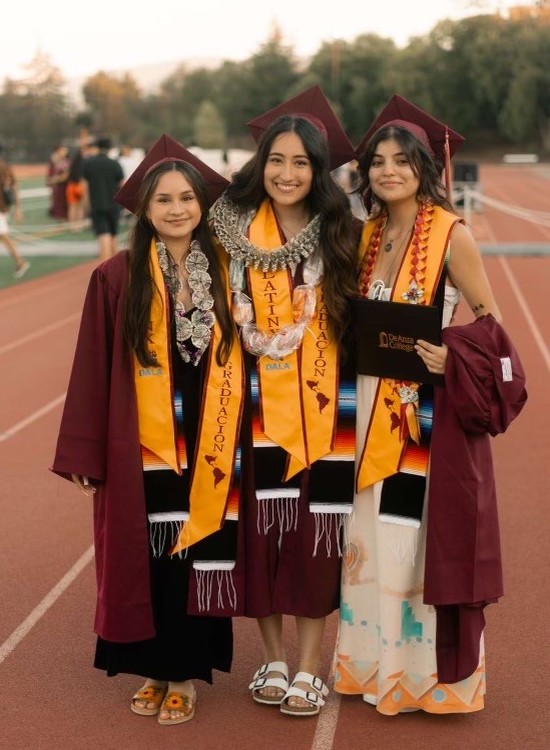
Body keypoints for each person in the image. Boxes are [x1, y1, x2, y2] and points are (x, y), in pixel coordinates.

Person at [333, 95, 527, 714]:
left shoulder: (452, 235)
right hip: (365, 406)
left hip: (421, 413)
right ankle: (372, 667)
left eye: (402, 160)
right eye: (378, 161)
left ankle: (426, 679)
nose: (388, 170)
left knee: (410, 541)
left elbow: (491, 322)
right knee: (367, 534)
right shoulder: (366, 235)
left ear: (424, 166)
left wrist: (456, 356)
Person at [51, 135, 242, 725]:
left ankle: (186, 672)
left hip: (213, 432)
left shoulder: (229, 274)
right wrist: (87, 451)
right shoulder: (117, 277)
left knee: (198, 549)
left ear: (202, 204)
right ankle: (156, 670)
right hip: (142, 437)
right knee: (150, 553)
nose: (178, 209)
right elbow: (91, 365)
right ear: (144, 208)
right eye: (164, 200)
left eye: (187, 198)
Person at [211, 85, 359, 717]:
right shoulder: (232, 233)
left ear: (319, 170)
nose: (288, 173)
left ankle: (308, 665)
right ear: (260, 164)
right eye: (278, 160)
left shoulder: (344, 234)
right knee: (259, 536)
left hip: (326, 409)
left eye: (302, 162)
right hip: (252, 407)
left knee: (313, 540)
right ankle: (270, 656)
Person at [81, 136, 125, 261]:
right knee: (114, 235)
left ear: (97, 148)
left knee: (103, 234)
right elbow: (123, 185)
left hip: (97, 204)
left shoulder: (88, 164)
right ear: (110, 148)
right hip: (114, 204)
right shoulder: (115, 164)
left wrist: (85, 205)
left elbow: (84, 188)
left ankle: (105, 266)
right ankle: (117, 268)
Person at [0, 143, 30, 278]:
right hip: (4, 207)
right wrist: (18, 208)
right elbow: (15, 187)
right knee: (3, 236)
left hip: (1, 207)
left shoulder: (3, 168)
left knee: (4, 236)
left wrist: (18, 209)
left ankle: (20, 261)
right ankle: (20, 261)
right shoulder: (6, 167)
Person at [47, 143, 71, 220]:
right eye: (62, 150)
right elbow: (50, 178)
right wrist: (58, 179)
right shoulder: (53, 162)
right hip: (58, 188)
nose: (64, 152)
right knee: (59, 210)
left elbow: (69, 174)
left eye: (65, 150)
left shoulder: (68, 161)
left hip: (67, 187)